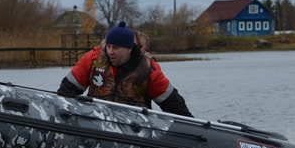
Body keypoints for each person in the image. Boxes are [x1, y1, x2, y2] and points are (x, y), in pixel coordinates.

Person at [57, 21, 193, 117]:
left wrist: (194, 128)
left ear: (129, 49)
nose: (110, 52)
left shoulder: (148, 69)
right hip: (95, 123)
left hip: (134, 130)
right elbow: (66, 92)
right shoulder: (93, 59)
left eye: (116, 48)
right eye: (109, 46)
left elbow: (173, 105)